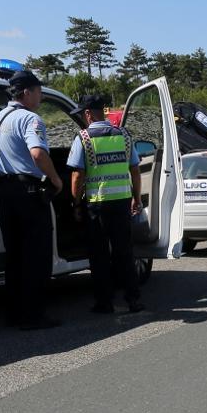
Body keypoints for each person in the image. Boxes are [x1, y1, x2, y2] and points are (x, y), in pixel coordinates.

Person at [0, 69, 63, 330]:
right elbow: (38, 154)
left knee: (14, 256)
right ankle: (34, 316)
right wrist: (56, 179)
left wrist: (3, 167)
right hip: (29, 193)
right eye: (38, 91)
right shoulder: (30, 119)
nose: (40, 96)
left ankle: (14, 313)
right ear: (27, 92)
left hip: (6, 193)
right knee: (36, 257)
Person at [67, 93, 144, 314]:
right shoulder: (123, 136)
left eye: (83, 113)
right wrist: (136, 198)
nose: (83, 117)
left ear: (89, 114)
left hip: (97, 206)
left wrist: (75, 203)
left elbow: (77, 176)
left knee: (99, 256)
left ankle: (105, 302)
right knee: (124, 253)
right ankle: (133, 300)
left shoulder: (84, 138)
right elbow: (135, 170)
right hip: (121, 202)